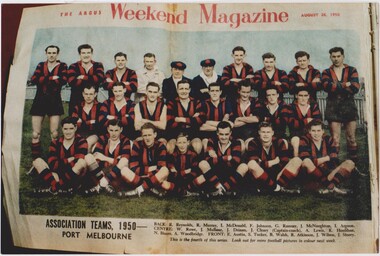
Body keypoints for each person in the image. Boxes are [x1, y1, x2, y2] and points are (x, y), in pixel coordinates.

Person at [29, 117, 87, 194]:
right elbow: (52, 164)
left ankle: (56, 187)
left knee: (81, 162)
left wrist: (61, 163)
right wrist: (68, 160)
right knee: (37, 161)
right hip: (58, 175)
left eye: (71, 128)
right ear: (62, 129)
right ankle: (62, 188)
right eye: (65, 129)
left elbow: (79, 160)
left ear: (75, 128)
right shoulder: (55, 143)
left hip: (74, 176)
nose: (68, 132)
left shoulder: (81, 141)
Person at [322, 47, 360, 163]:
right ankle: (335, 164)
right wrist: (345, 85)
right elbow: (327, 87)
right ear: (330, 57)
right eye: (333, 56)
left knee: (351, 138)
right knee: (335, 139)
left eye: (338, 56)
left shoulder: (352, 70)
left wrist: (336, 86)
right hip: (333, 106)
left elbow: (355, 87)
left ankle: (353, 164)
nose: (336, 59)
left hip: (348, 105)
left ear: (343, 56)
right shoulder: (326, 72)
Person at [29, 45, 68, 160]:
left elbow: (63, 80)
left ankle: (54, 158)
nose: (51, 55)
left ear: (57, 54)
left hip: (54, 101)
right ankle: (36, 159)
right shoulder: (41, 65)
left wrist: (45, 79)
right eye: (49, 52)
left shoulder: (63, 66)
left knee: (54, 133)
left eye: (54, 53)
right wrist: (52, 79)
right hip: (39, 100)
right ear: (46, 53)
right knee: (35, 133)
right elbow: (34, 79)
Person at [116, 123, 174, 197]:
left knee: (165, 170)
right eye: (145, 135)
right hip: (142, 178)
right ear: (142, 136)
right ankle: (149, 188)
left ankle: (137, 190)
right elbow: (134, 168)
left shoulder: (160, 145)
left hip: (151, 176)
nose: (147, 138)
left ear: (155, 135)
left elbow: (161, 167)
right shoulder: (137, 144)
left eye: (149, 135)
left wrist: (148, 174)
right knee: (124, 170)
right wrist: (150, 169)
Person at [299, 120, 355, 194]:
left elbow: (334, 158)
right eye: (313, 131)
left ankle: (329, 187)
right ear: (309, 131)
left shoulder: (328, 139)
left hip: (328, 173)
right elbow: (305, 158)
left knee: (350, 163)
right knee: (306, 162)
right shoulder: (304, 140)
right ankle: (331, 186)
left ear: (323, 131)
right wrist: (326, 158)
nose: (316, 133)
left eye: (318, 130)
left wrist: (317, 161)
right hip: (313, 176)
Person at [246, 122, 302, 194]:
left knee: (297, 160)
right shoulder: (253, 143)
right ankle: (276, 188)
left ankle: (274, 186)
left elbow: (284, 161)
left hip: (278, 174)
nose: (265, 134)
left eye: (268, 132)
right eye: (263, 132)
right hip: (261, 176)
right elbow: (253, 161)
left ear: (272, 133)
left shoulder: (280, 142)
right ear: (259, 132)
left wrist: (263, 163)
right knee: (251, 164)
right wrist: (273, 162)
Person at [195, 121, 248, 196]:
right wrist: (227, 158)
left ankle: (222, 189)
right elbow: (208, 160)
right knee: (202, 163)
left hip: (230, 174)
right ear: (217, 133)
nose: (224, 137)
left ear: (230, 133)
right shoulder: (211, 141)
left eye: (226, 134)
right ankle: (220, 187)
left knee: (244, 166)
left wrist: (217, 158)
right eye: (221, 134)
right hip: (214, 174)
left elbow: (236, 161)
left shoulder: (236, 142)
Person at [83, 119, 131, 194]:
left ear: (121, 129)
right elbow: (96, 156)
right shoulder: (103, 138)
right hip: (100, 172)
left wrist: (104, 158)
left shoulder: (125, 140)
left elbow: (125, 161)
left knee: (123, 162)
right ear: (108, 129)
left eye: (116, 130)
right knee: (88, 157)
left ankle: (100, 185)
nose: (113, 133)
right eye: (111, 130)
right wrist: (114, 160)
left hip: (115, 174)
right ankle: (103, 184)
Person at [166, 79, 204, 154]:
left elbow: (201, 119)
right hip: (176, 133)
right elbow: (170, 122)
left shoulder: (196, 102)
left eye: (186, 89)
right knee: (170, 146)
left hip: (192, 133)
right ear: (177, 90)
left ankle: (195, 165)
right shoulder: (171, 103)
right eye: (181, 89)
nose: (184, 91)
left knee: (197, 145)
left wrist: (180, 119)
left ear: (189, 90)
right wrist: (192, 120)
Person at [68, 44, 104, 115]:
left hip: (92, 101)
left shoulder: (98, 65)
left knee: (93, 122)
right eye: (83, 53)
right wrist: (92, 79)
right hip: (75, 100)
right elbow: (72, 81)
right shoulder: (73, 66)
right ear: (79, 54)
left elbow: (100, 78)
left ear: (92, 53)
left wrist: (83, 77)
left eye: (88, 52)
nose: (86, 55)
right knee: (74, 123)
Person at [288, 87, 322, 157]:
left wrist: (300, 122)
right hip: (296, 134)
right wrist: (306, 121)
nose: (303, 98)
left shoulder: (313, 106)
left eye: (305, 96)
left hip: (311, 133)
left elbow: (318, 121)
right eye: (301, 95)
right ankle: (296, 161)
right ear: (296, 96)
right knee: (296, 140)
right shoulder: (291, 107)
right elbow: (292, 124)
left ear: (308, 96)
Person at [199, 82, 233, 150]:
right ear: (209, 92)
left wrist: (208, 122)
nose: (215, 93)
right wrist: (219, 128)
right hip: (207, 134)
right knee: (206, 145)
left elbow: (228, 124)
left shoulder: (226, 103)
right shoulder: (203, 104)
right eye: (212, 91)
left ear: (220, 92)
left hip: (223, 135)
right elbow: (201, 126)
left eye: (217, 91)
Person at [231, 79, 260, 152]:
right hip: (236, 135)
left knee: (250, 146)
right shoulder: (233, 103)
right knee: (240, 147)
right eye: (243, 92)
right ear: (238, 91)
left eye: (248, 92)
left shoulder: (256, 101)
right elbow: (233, 123)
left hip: (252, 134)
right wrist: (249, 119)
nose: (245, 95)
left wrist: (239, 118)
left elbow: (256, 119)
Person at [71, 82, 101, 152]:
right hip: (80, 134)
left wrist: (83, 123)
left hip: (95, 134)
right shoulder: (77, 107)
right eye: (86, 94)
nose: (88, 96)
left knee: (87, 144)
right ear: (83, 94)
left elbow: (100, 124)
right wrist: (91, 122)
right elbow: (74, 124)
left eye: (91, 94)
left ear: (95, 95)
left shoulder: (100, 107)